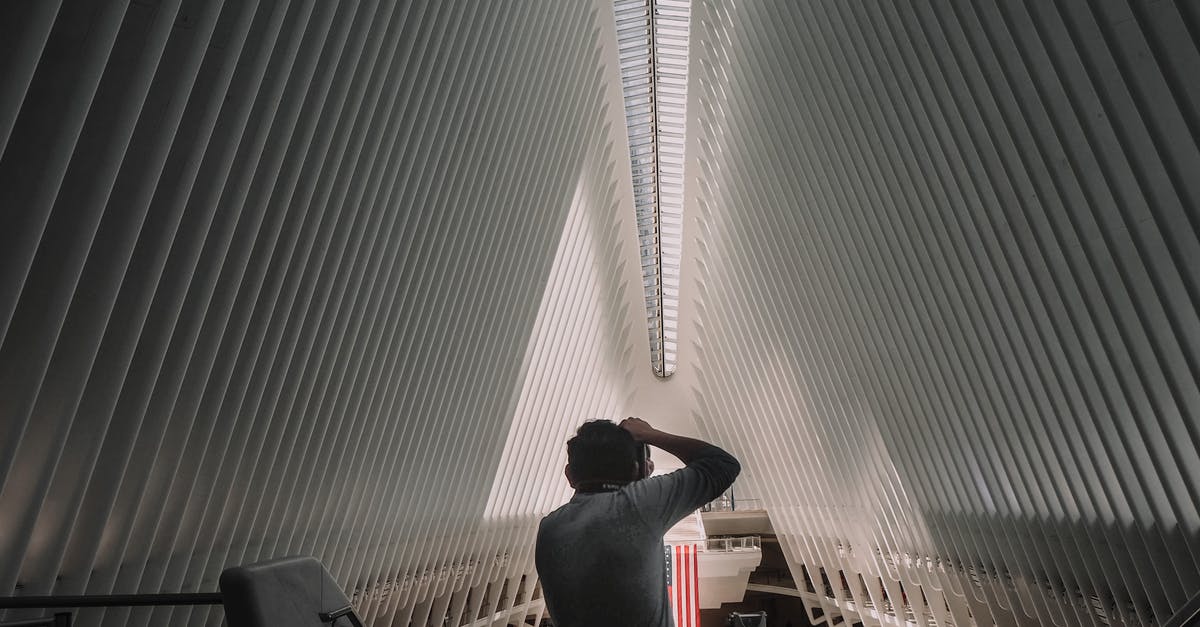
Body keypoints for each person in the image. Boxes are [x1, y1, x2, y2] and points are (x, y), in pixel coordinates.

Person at [535, 417, 741, 626]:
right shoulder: (638, 504)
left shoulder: (550, 527)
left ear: (570, 475)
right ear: (638, 469)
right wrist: (650, 434)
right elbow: (723, 464)